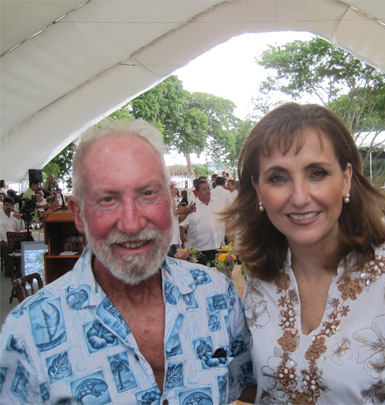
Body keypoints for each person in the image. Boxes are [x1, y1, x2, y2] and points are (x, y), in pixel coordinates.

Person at [222, 103, 385, 403]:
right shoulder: (262, 278)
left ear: (346, 178)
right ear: (258, 190)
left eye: (317, 173)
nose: (299, 197)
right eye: (278, 177)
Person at [0, 120, 255, 403]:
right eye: (108, 199)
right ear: (79, 214)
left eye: (148, 193)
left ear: (170, 199)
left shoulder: (218, 296)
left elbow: (251, 385)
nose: (132, 224)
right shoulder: (27, 335)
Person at [179, 180, 226, 265]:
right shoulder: (192, 207)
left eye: (208, 188)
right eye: (204, 189)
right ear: (197, 192)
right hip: (199, 249)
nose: (207, 191)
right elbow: (182, 225)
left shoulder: (218, 203)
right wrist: (182, 242)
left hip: (218, 247)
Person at [0, 197, 23, 276]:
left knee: (25, 243)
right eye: (6, 205)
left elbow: (20, 228)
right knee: (6, 247)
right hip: (2, 239)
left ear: (12, 206)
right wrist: (8, 241)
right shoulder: (0, 215)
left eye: (10, 205)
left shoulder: (14, 215)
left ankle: (21, 267)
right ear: (3, 205)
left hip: (14, 237)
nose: (8, 207)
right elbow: (1, 232)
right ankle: (9, 270)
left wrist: (19, 219)